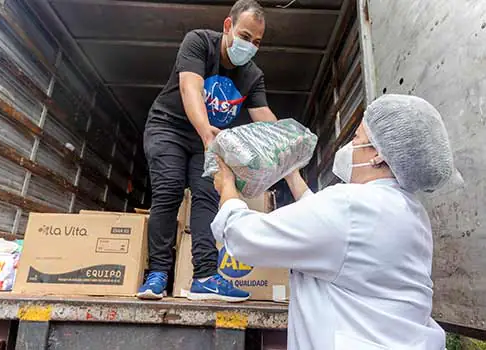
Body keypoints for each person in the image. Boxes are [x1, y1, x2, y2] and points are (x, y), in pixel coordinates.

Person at [212, 94, 454, 349]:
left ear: (378, 156)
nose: (350, 146)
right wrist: (290, 173)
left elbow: (246, 237)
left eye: (356, 138)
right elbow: (334, 235)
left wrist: (227, 188)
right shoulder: (411, 214)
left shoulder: (351, 206)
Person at [138, 0, 281, 302]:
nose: (250, 46)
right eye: (244, 37)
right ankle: (157, 274)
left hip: (211, 140)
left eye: (257, 42)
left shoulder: (252, 75)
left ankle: (205, 277)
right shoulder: (199, 42)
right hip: (170, 128)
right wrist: (206, 135)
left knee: (207, 198)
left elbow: (263, 114)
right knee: (169, 189)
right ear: (228, 26)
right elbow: (191, 88)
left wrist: (289, 144)